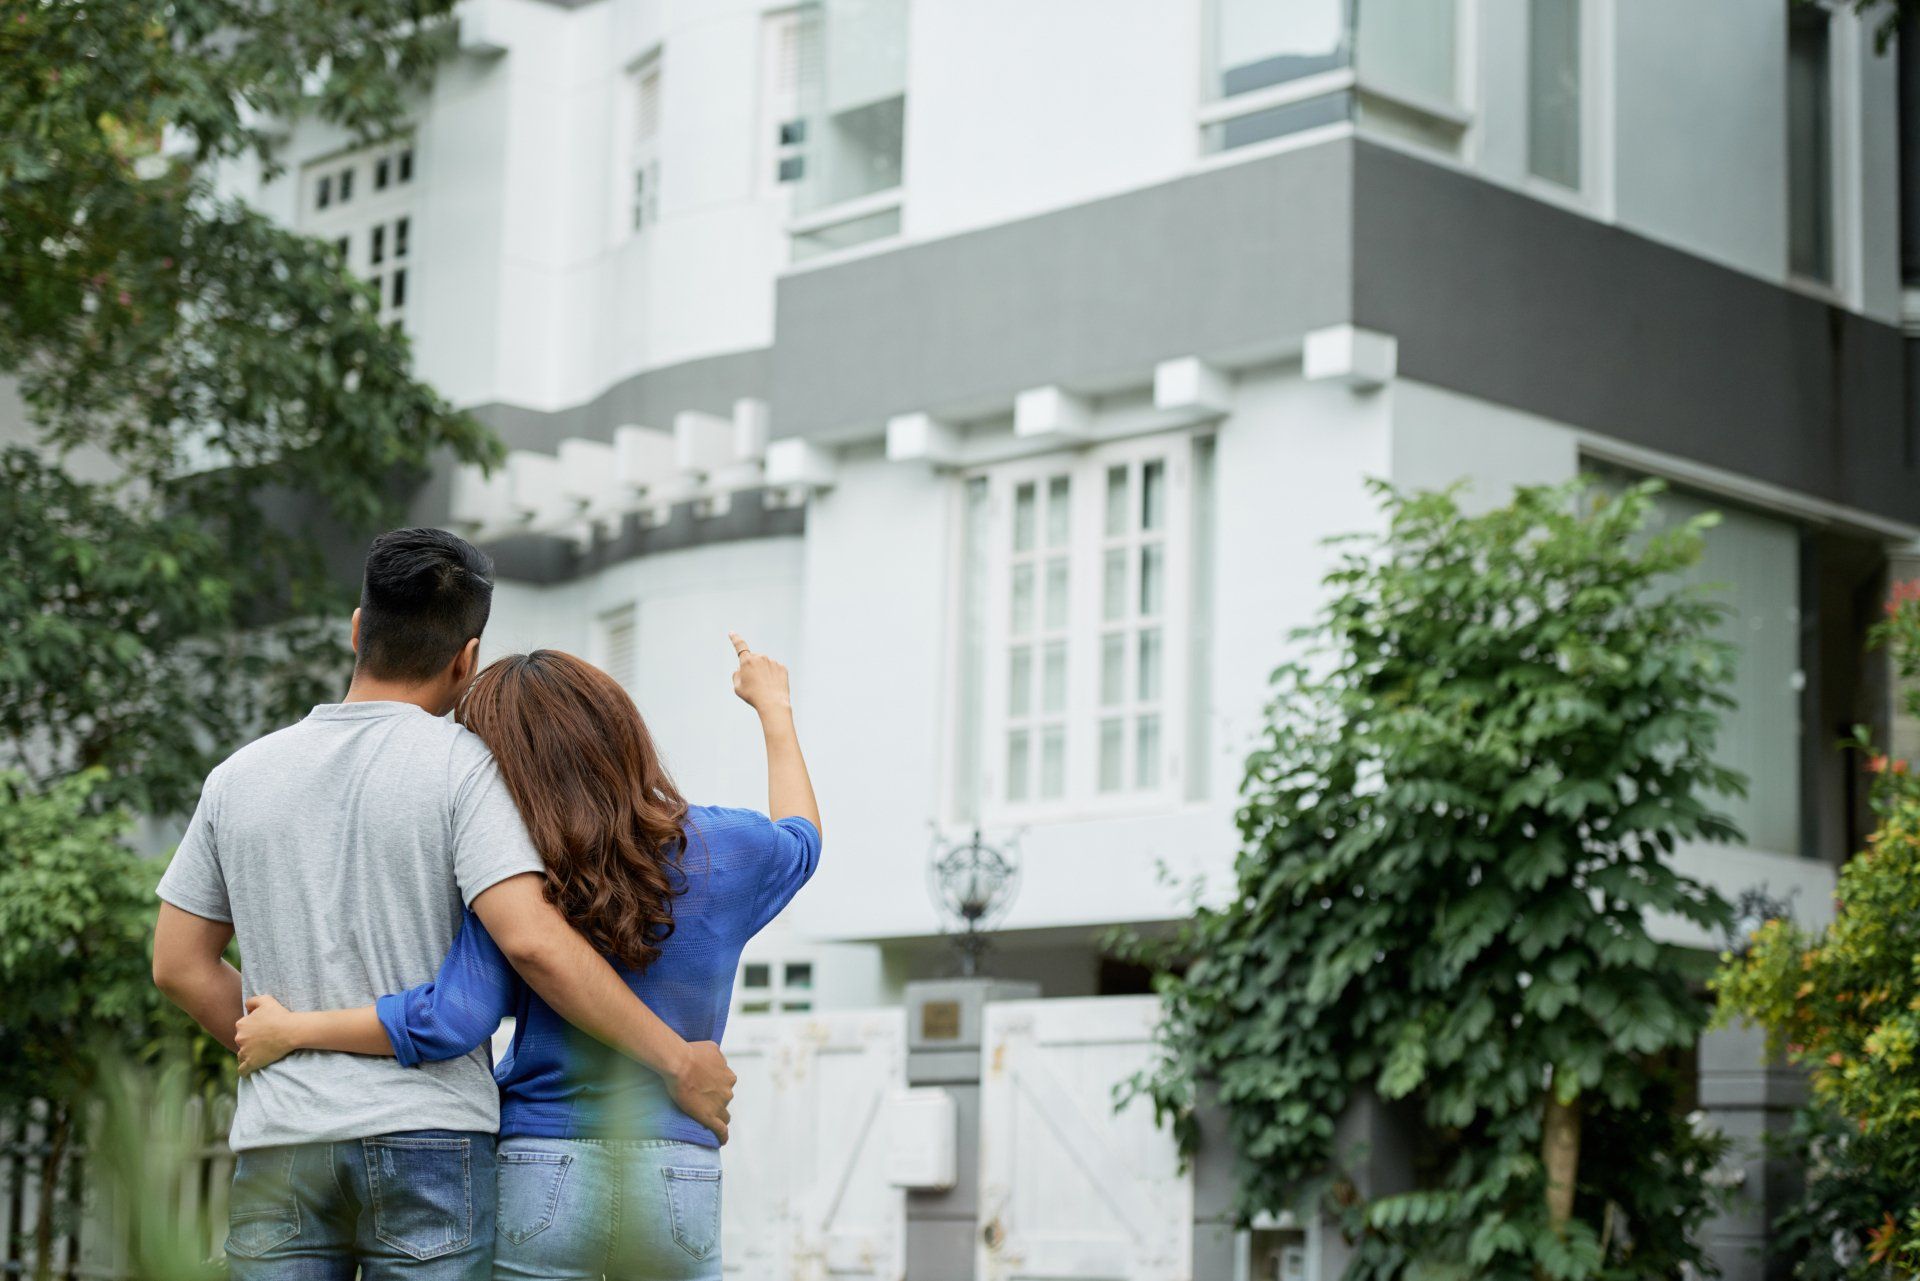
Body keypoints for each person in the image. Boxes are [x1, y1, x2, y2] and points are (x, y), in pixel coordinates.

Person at [151, 528, 734, 1281]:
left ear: (358, 629)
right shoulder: (468, 770)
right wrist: (676, 1059)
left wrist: (290, 1039)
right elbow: (531, 942)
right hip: (431, 1139)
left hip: (282, 1136)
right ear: (468, 658)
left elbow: (177, 964)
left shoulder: (238, 777)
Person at [230, 633, 822, 1280]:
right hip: (676, 1164)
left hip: (542, 1167)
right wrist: (774, 707)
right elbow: (802, 838)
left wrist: (294, 1029)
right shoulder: (724, 848)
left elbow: (450, 1019)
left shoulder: (517, 878)